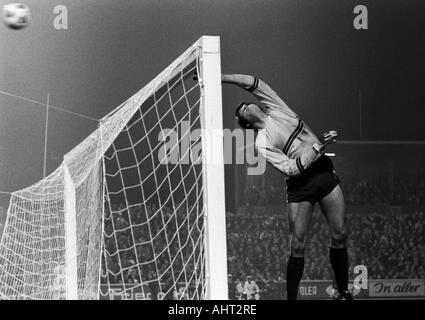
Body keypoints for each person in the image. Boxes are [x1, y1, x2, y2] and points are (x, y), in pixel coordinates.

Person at [222, 74, 352, 300]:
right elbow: (290, 169)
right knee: (298, 246)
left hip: (323, 172)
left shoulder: (275, 107)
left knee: (340, 234)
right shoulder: (262, 142)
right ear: (247, 123)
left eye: (246, 103)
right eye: (242, 110)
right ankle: (291, 298)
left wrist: (222, 77)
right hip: (300, 186)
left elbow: (254, 83)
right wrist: (317, 146)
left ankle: (343, 292)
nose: (246, 105)